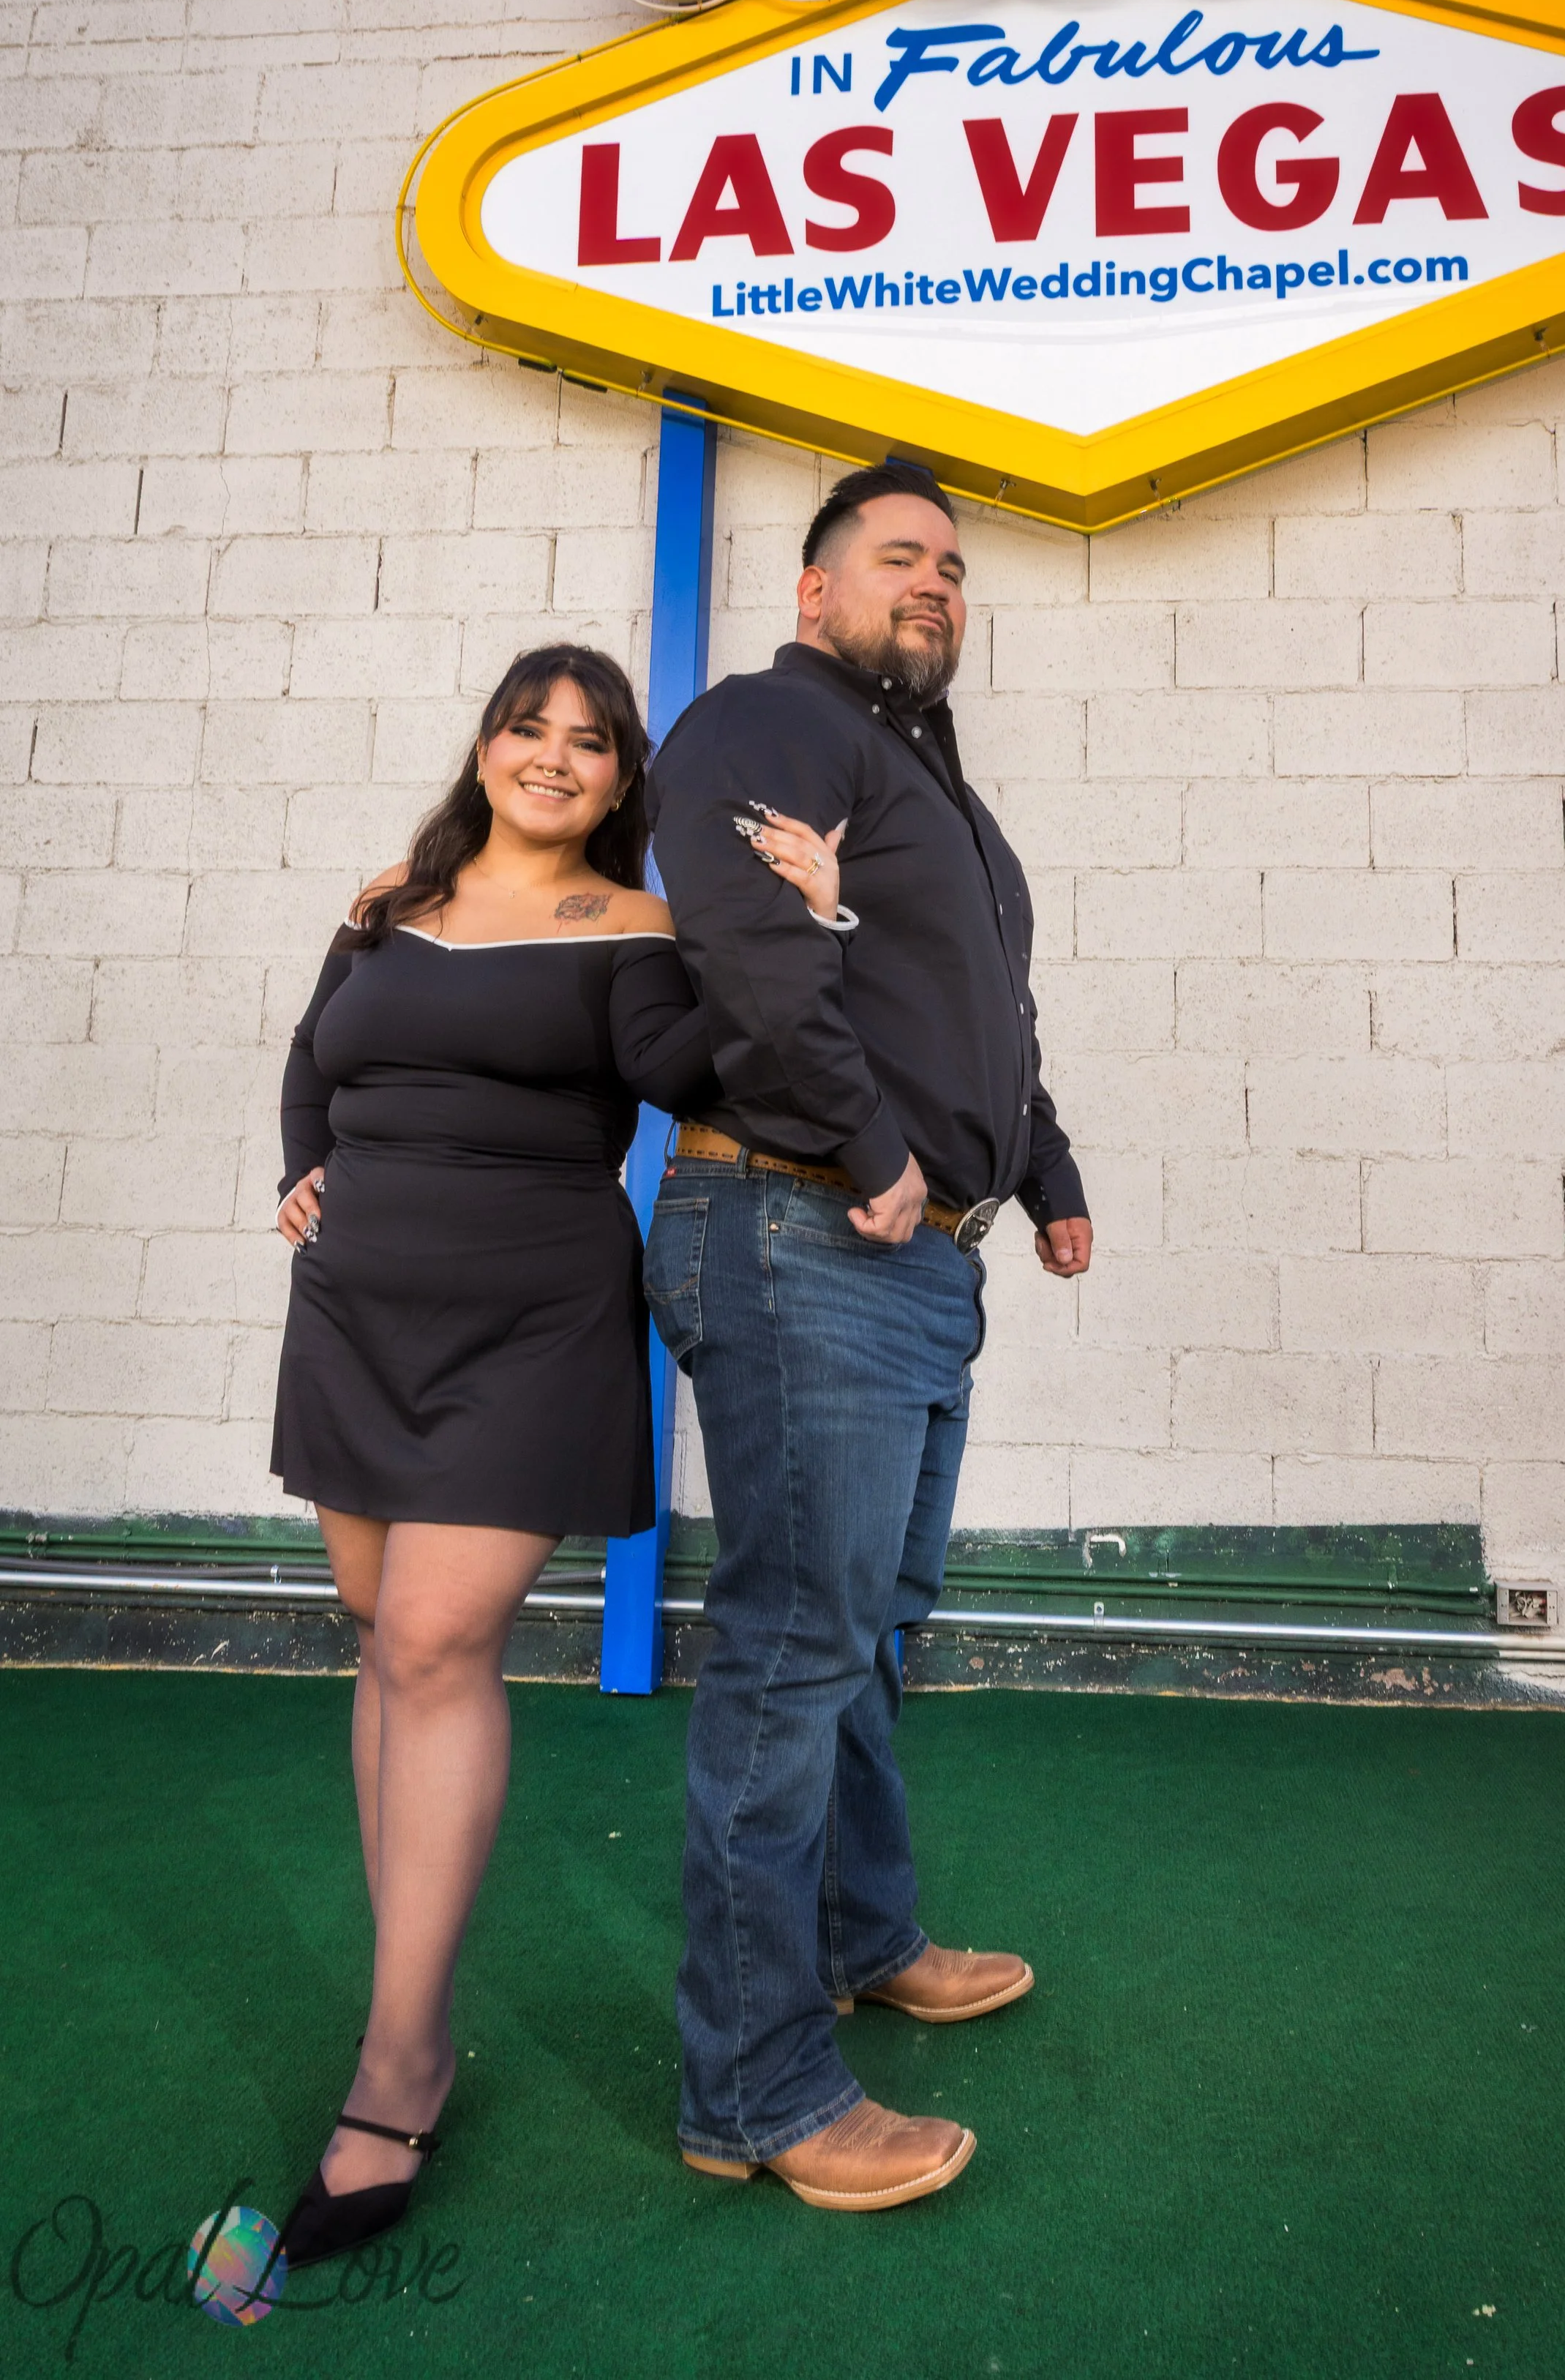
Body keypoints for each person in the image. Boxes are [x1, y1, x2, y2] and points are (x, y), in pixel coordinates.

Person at [266, 643, 841, 2267]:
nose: (553, 756)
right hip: (359, 1316)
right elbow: (318, 1056)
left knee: (441, 1645)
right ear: (487, 745)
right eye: (529, 727)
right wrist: (303, 1170)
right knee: (382, 1645)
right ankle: (417, 2010)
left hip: (530, 1322)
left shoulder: (633, 929)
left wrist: (795, 930)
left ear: (619, 783)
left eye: (590, 744)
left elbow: (687, 1071)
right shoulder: (391, 896)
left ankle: (393, 2069)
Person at [645, 460, 1094, 2212]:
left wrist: (1037, 1165)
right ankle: (752, 2094)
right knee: (790, 1650)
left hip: (914, 1258)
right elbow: (759, 960)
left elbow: (994, 1008)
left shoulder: (927, 789)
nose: (936, 583)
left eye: (956, 568)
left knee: (871, 1631)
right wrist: (882, 1144)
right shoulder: (764, 720)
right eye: (900, 557)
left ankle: (860, 1934)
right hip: (799, 1229)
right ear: (815, 585)